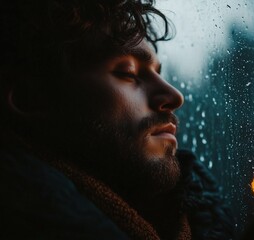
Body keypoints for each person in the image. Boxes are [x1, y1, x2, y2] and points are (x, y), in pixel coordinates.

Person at [0, 0, 234, 239]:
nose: (175, 96)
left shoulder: (200, 217)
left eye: (159, 73)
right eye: (127, 73)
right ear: (30, 99)